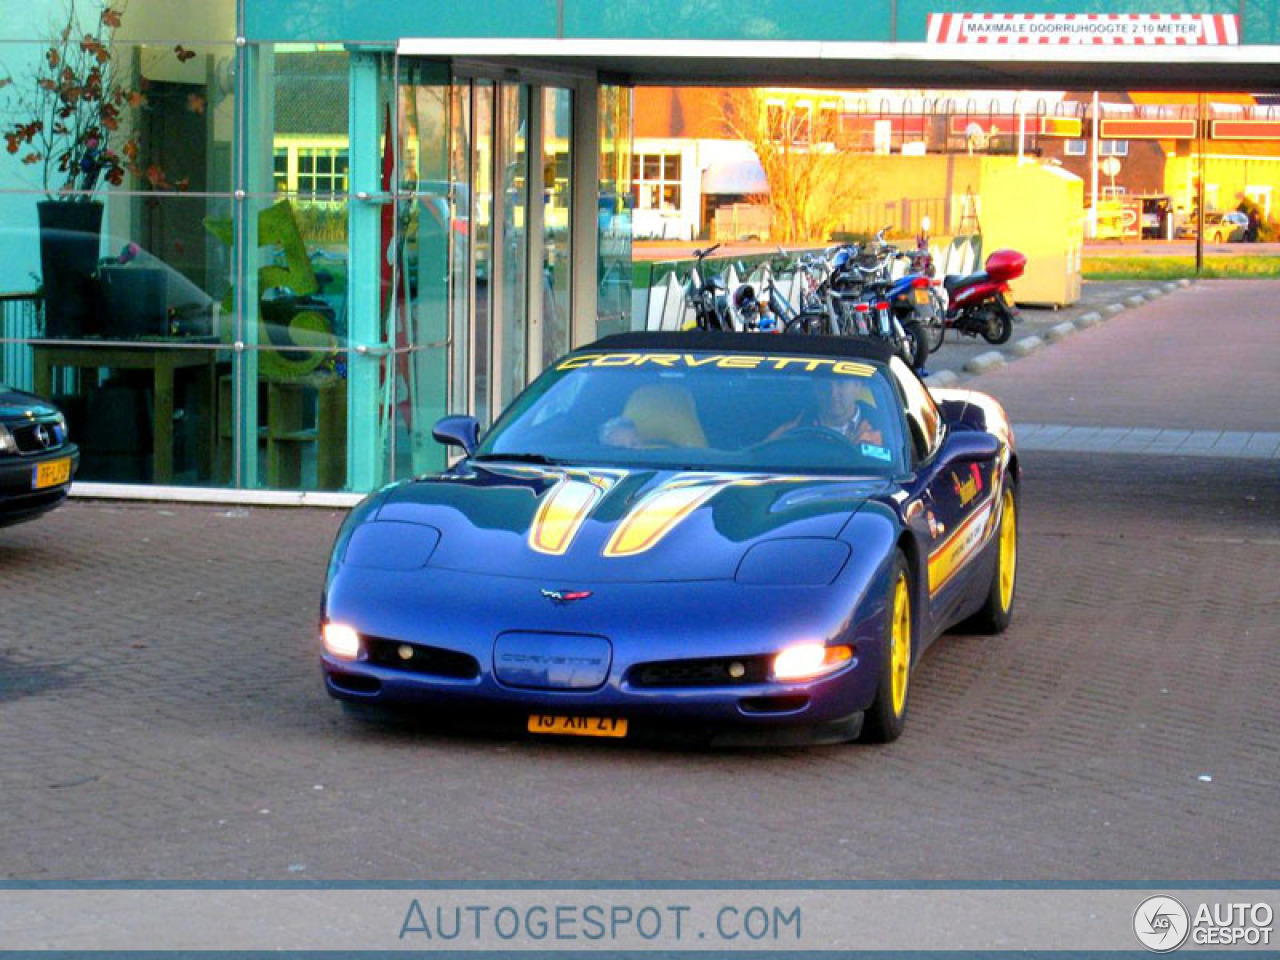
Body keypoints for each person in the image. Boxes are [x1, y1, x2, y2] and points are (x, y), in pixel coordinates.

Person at [768, 377, 884, 446]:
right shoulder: (794, 430)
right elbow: (757, 456)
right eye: (825, 384)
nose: (833, 393)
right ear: (815, 388)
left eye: (841, 383)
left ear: (857, 386)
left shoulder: (885, 429)